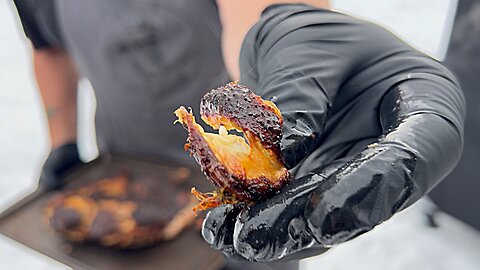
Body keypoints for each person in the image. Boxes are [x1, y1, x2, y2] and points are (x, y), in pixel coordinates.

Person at [14, 0, 464, 267]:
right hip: (123, 166)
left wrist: (284, 31)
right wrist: (63, 140)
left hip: (255, 194)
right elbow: (48, 47)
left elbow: (252, 12)